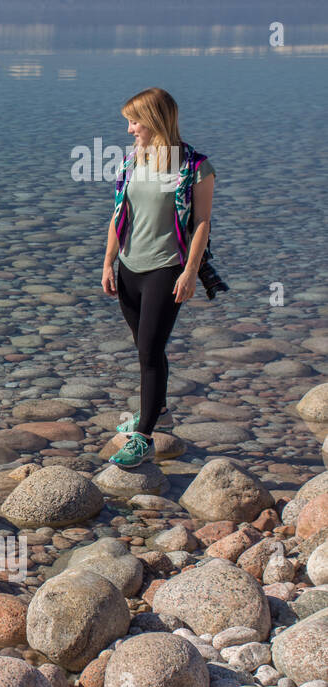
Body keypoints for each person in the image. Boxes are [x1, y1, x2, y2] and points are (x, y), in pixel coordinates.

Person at [100, 87, 215, 468]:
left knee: (150, 349)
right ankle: (159, 409)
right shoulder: (132, 162)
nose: (130, 129)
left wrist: (190, 272)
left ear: (154, 120)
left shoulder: (195, 167)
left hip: (166, 270)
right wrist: (108, 263)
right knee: (145, 349)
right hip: (129, 269)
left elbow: (201, 223)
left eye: (134, 122)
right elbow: (120, 214)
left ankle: (144, 437)